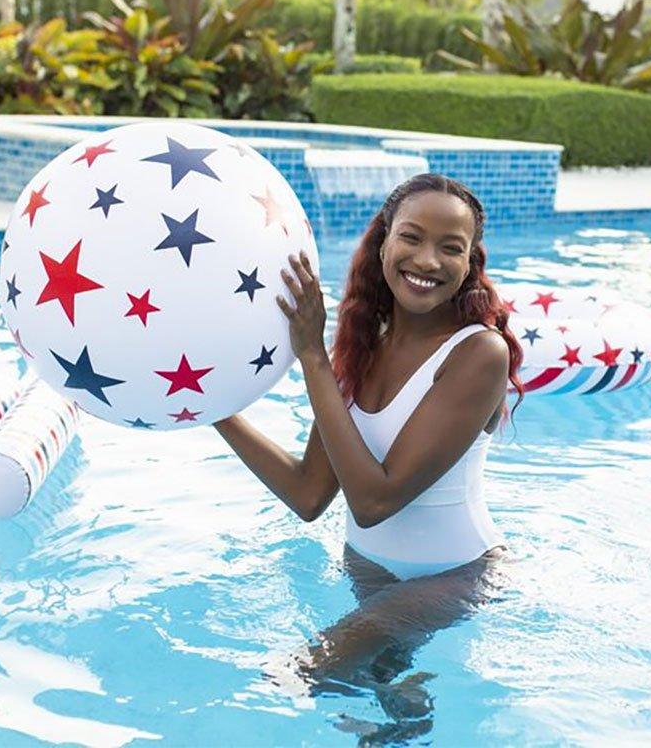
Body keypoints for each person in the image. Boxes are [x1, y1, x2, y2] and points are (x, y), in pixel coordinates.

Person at [214, 173, 524, 712]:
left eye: (451, 248)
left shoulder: (479, 354)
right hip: (368, 571)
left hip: (452, 575)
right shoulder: (363, 345)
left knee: (295, 678)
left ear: (470, 262)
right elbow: (310, 495)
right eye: (412, 237)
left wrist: (313, 355)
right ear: (383, 242)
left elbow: (374, 501)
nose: (428, 260)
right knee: (377, 701)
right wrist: (215, 410)